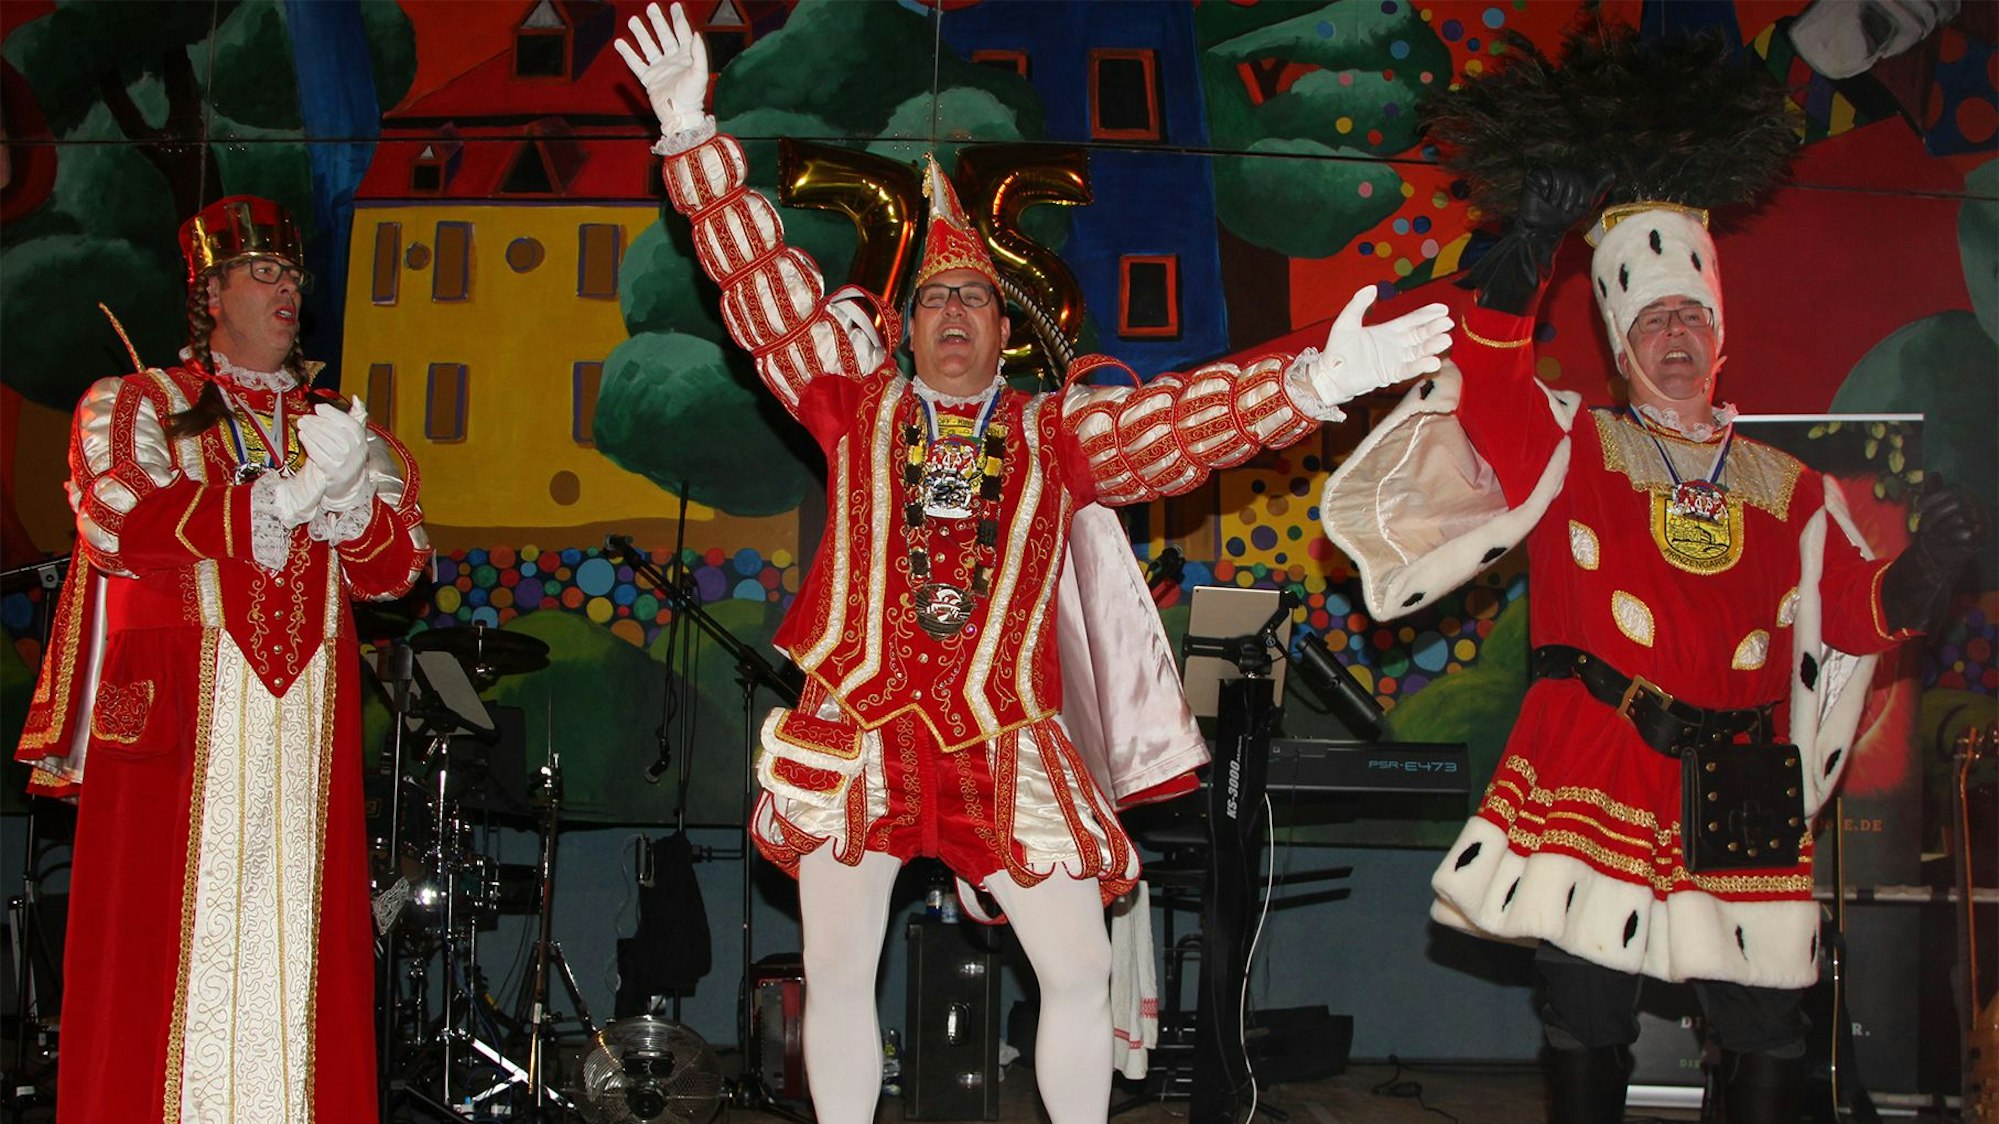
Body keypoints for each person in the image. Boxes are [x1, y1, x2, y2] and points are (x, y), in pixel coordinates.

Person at [614, 6, 1451, 1122]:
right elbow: (761, 287)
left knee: (1073, 969)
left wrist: (1309, 381)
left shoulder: (1056, 433)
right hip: (856, 726)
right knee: (842, 970)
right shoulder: (848, 403)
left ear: (1003, 330)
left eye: (974, 299)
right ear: (902, 325)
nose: (953, 313)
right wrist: (691, 138)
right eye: (933, 300)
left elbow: (1178, 423)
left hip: (1003, 738)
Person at [1321, 168, 1985, 1122]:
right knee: (1585, 1018)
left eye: (1692, 317)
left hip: (1744, 780)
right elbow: (1492, 380)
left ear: (1720, 338)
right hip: (1596, 756)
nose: (1676, 335)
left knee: (1768, 1028)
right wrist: (1527, 255)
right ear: (1622, 349)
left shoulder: (1792, 487)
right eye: (1653, 322)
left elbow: (1854, 615)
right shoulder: (1572, 446)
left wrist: (1930, 563)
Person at [14, 195, 431, 1123]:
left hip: (299, 735)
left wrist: (352, 492)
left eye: (293, 276)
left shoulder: (340, 425)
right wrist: (274, 504)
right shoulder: (135, 403)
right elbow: (115, 514)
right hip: (176, 728)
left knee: (301, 948)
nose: (288, 292)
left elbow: (399, 567)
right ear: (209, 294)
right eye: (263, 273)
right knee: (152, 959)